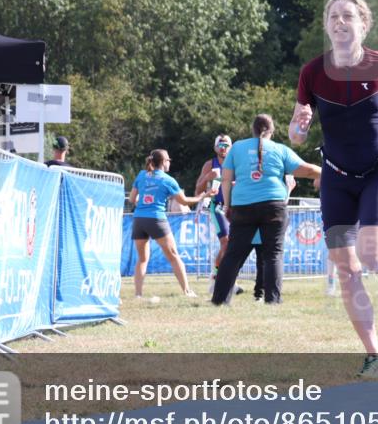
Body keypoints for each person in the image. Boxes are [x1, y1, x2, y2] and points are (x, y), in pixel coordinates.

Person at [290, 0, 378, 379]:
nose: (340, 22)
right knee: (346, 269)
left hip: (377, 174)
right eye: (333, 16)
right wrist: (297, 127)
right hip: (335, 178)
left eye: (348, 16)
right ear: (326, 25)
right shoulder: (312, 73)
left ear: (363, 24)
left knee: (371, 254)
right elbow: (298, 133)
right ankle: (375, 356)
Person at [212, 115, 320, 306]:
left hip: (243, 206)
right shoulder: (280, 149)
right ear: (272, 131)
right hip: (274, 206)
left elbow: (226, 180)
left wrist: (228, 206)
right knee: (273, 254)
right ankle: (273, 300)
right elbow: (307, 170)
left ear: (252, 129)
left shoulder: (237, 148)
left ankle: (220, 301)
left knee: (233, 255)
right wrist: (331, 170)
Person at [129, 149, 207, 299]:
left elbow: (132, 199)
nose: (169, 163)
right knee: (174, 256)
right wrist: (201, 197)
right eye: (168, 160)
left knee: (142, 259)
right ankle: (187, 291)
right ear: (164, 162)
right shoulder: (167, 180)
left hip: (139, 219)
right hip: (156, 219)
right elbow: (184, 201)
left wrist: (145, 204)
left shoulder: (141, 175)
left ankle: (138, 294)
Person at [195, 135, 236, 292]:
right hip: (218, 206)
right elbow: (198, 189)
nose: (223, 147)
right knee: (225, 242)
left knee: (234, 244)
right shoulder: (209, 164)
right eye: (220, 144)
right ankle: (216, 280)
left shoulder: (236, 163)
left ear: (231, 147)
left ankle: (224, 279)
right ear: (215, 147)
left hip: (235, 206)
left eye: (226, 144)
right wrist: (207, 177)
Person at [252, 175, 297, 301]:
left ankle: (264, 293)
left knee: (265, 259)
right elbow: (282, 203)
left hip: (269, 224)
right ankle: (262, 293)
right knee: (265, 259)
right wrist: (288, 189)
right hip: (262, 223)